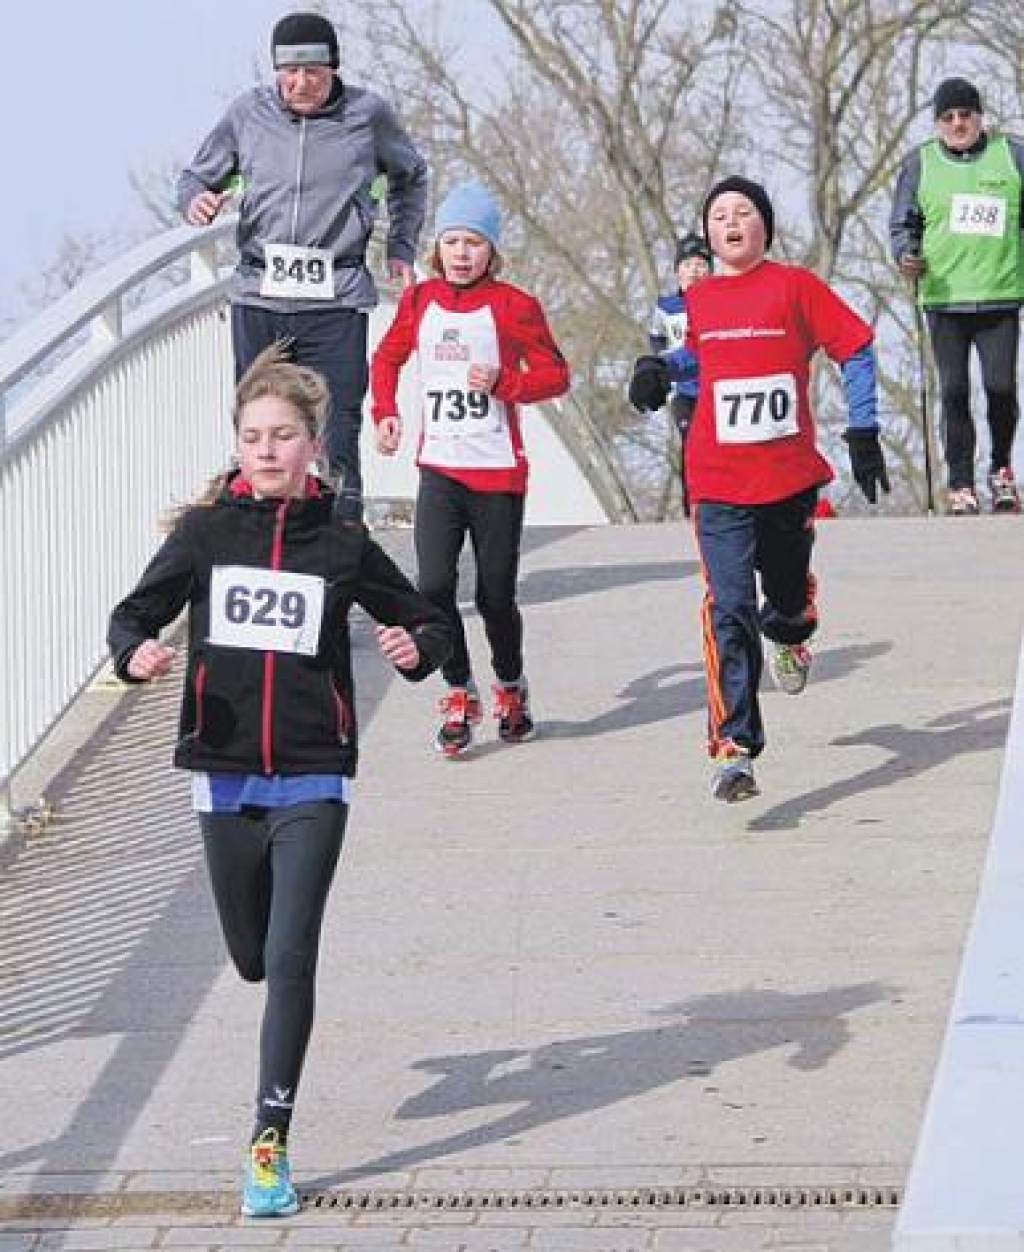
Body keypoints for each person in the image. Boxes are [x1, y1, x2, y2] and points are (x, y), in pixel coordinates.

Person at [107, 345, 450, 1217]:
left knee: (293, 957)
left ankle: (269, 1146)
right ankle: (268, 1089)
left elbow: (425, 621)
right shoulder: (206, 535)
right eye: (253, 436)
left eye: (283, 436)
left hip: (313, 776)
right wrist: (135, 653)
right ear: (238, 445)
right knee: (253, 958)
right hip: (222, 778)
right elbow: (133, 613)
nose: (266, 450)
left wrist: (417, 654)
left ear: (311, 447)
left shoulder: (341, 541)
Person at [629, 176, 889, 803]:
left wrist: (862, 429)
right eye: (719, 215)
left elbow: (854, 348)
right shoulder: (701, 300)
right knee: (728, 605)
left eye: (744, 211)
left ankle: (795, 625)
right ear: (710, 234)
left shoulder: (794, 287)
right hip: (718, 482)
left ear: (765, 226)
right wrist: (658, 369)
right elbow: (700, 358)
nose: (731, 221)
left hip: (787, 480)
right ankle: (734, 747)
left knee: (785, 600)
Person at [176, 11, 429, 524]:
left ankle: (341, 536)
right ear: (276, 72)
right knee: (262, 422)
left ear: (333, 69)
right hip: (260, 294)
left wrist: (401, 244)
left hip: (335, 296)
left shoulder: (367, 115)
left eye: (314, 71)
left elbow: (412, 176)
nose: (301, 82)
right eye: (290, 72)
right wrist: (197, 201)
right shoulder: (247, 114)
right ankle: (264, 532)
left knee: (337, 427)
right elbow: (196, 177)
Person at [370, 181, 570, 756]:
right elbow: (386, 358)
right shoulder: (419, 301)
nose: (462, 253)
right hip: (440, 469)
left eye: (474, 243)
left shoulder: (514, 306)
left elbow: (557, 374)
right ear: (437, 248)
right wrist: (385, 412)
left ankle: (511, 686)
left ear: (492, 252)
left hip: (498, 476)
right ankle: (459, 691)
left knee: (495, 597)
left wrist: (507, 383)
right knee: (432, 587)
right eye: (452, 241)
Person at [890, 76, 1024, 515]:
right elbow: (904, 223)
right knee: (953, 391)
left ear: (979, 117)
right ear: (937, 124)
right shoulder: (919, 163)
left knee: (1000, 388)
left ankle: (1001, 469)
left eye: (965, 114)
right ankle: (961, 483)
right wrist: (907, 254)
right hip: (944, 298)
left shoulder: (1012, 155)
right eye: (948, 117)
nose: (958, 123)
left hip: (1001, 293)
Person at [646, 231, 713, 516]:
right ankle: (692, 507)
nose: (694, 271)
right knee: (690, 445)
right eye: (687, 265)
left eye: (700, 264)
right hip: (684, 391)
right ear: (677, 271)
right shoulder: (666, 307)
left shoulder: (720, 301)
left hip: (715, 390)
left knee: (716, 450)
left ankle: (717, 505)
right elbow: (656, 339)